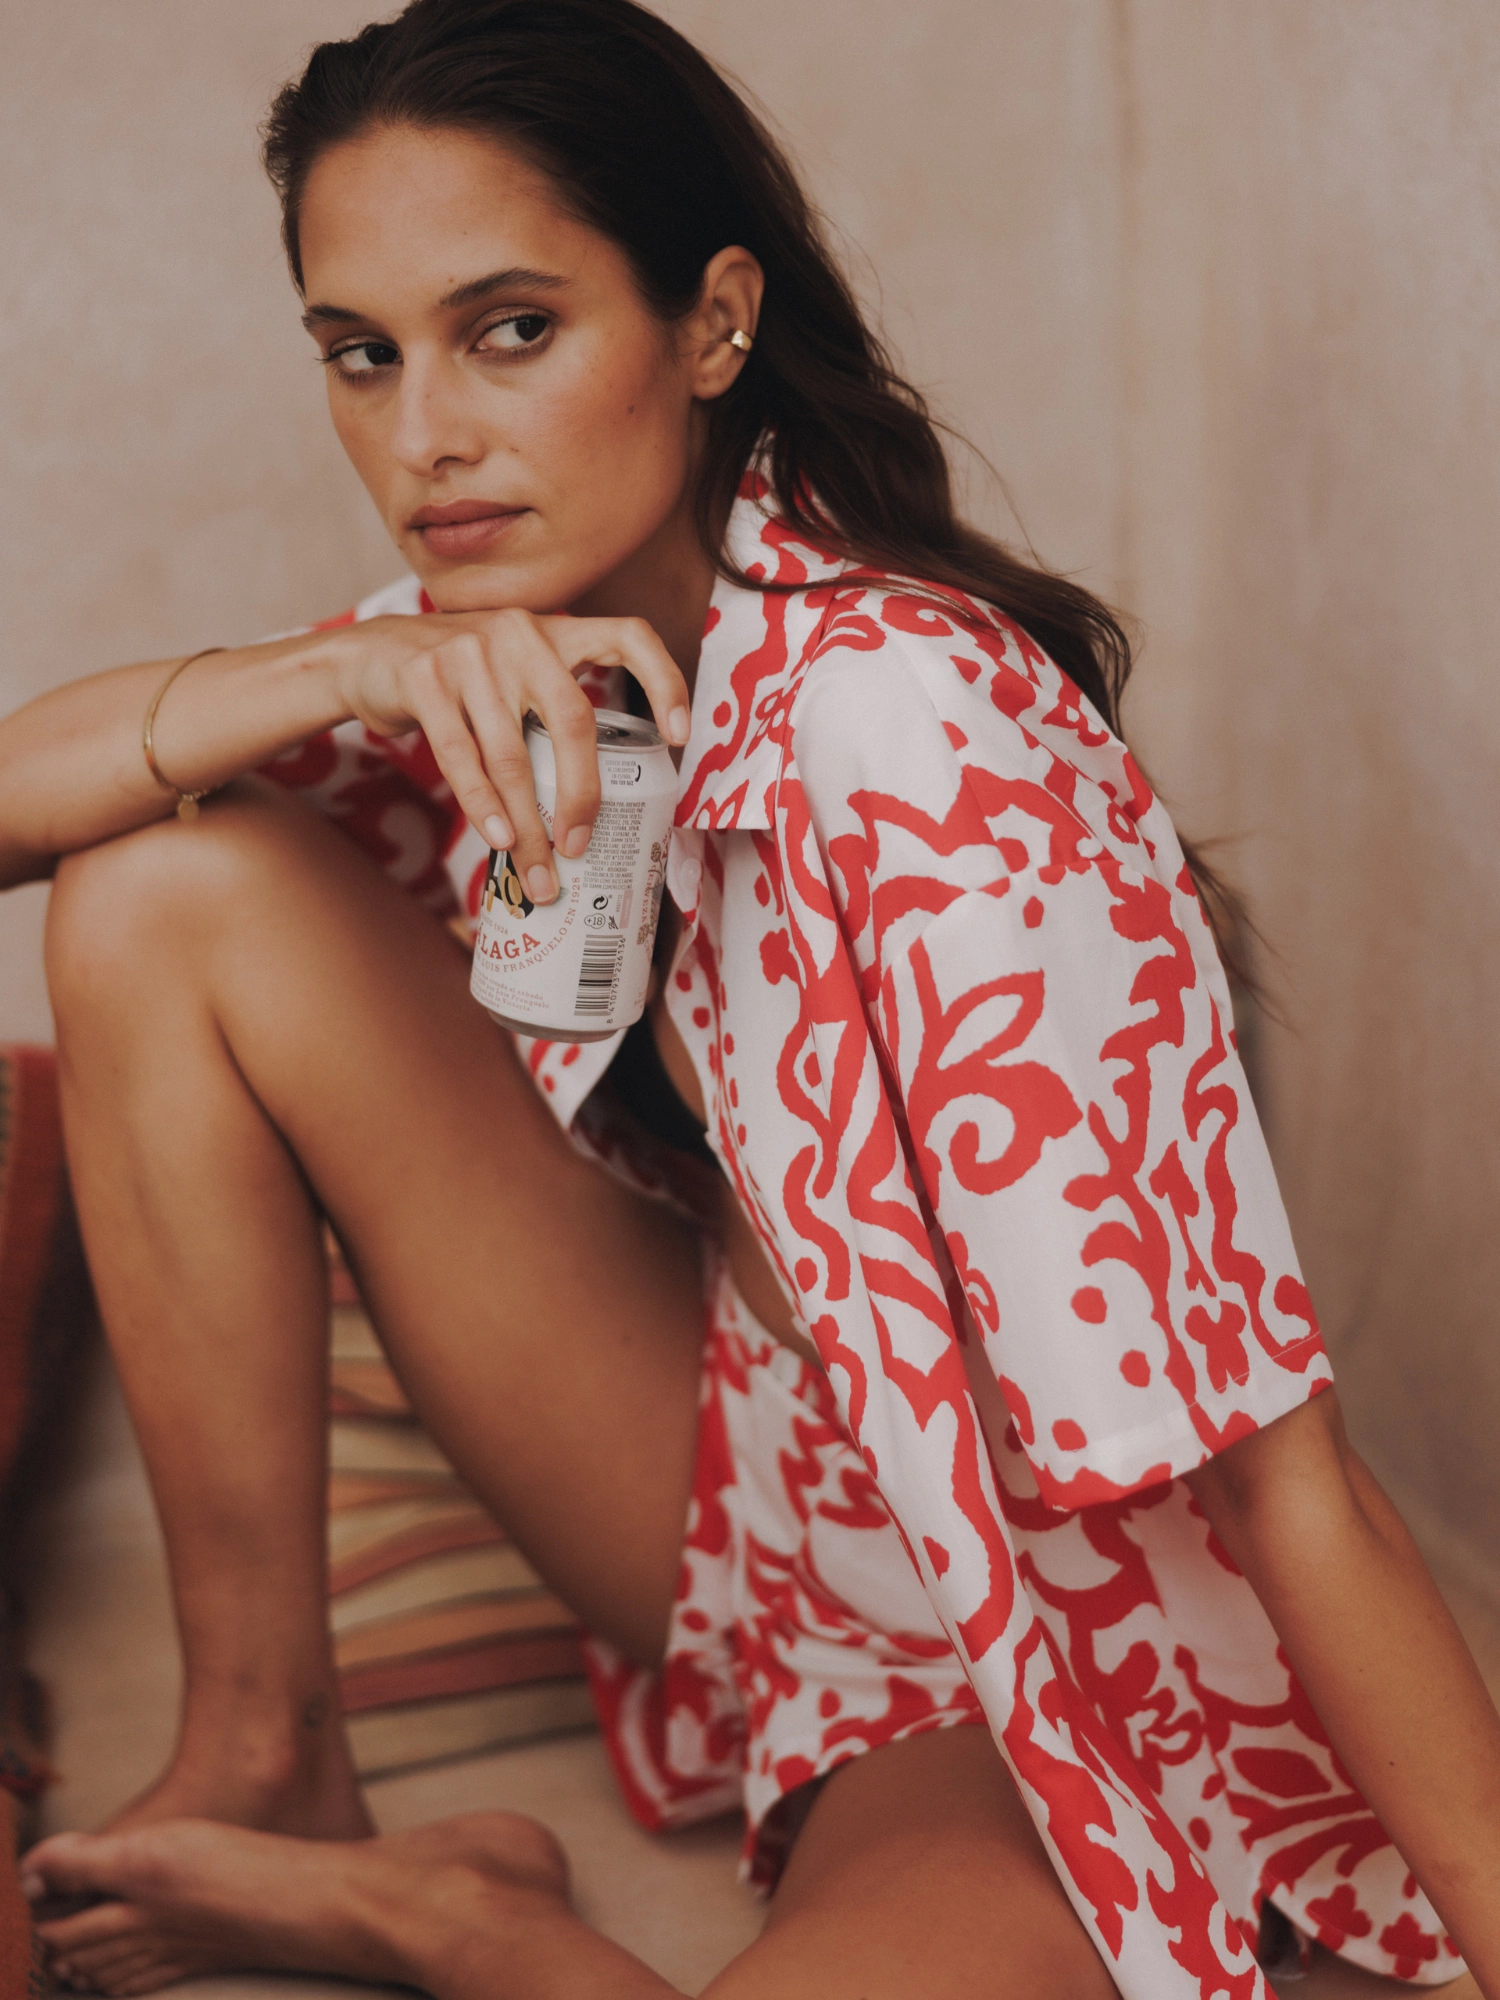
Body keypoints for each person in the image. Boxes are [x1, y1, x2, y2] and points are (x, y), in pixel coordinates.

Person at [4, 2, 1498, 1995]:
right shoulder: (530, 637)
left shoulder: (918, 729)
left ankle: (467, 1923)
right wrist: (340, 674)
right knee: (158, 883)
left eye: (509, 329)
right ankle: (270, 1757)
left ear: (712, 324)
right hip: (757, 1501)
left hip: (1044, 1631)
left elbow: (1277, 1461)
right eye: (361, 353)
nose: (424, 433)